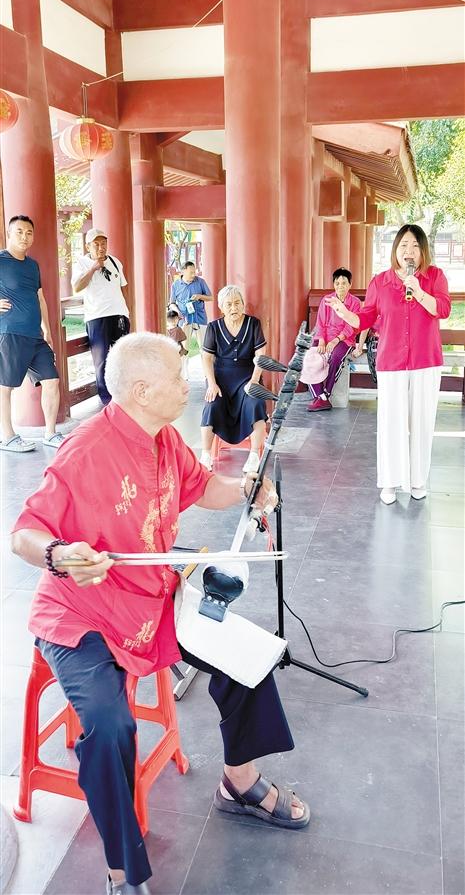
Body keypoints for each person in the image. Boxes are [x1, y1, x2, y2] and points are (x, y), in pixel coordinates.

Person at [11, 332, 310, 895]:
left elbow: (204, 488)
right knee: (108, 726)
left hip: (150, 597)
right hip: (83, 615)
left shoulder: (165, 437)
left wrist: (247, 488)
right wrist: (60, 555)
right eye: (177, 376)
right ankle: (122, 870)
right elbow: (24, 533)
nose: (187, 383)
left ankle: (238, 782)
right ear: (143, 391)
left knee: (248, 657)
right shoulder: (84, 449)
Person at [326, 224, 451, 505]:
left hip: (426, 362)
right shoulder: (380, 282)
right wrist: (344, 313)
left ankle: (418, 480)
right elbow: (365, 319)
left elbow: (443, 309)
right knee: (391, 423)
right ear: (395, 249)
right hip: (391, 362)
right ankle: (390, 482)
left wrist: (418, 290)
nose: (409, 251)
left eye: (415, 246)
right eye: (404, 245)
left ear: (423, 251)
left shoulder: (435, 276)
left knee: (421, 422)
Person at [0, 215, 63, 453]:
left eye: (29, 233)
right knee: (5, 386)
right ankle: (7, 436)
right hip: (10, 332)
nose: (24, 237)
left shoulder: (32, 265)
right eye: (19, 232)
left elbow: (40, 298)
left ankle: (50, 433)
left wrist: (47, 330)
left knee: (51, 380)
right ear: (9, 233)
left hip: (35, 336)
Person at [200, 285, 267, 473]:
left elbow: (261, 355)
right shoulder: (214, 327)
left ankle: (254, 455)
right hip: (220, 380)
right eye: (228, 304)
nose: (233, 308)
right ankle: (205, 455)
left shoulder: (253, 324)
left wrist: (255, 380)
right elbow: (206, 357)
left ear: (243, 304)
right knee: (211, 405)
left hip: (248, 377)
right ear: (221, 307)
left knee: (255, 403)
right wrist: (212, 384)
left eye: (237, 303)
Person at [72, 228, 130, 405]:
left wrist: (127, 312)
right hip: (97, 317)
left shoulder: (115, 262)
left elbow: (123, 288)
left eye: (103, 243)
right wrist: (93, 269)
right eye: (96, 244)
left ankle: (123, 395)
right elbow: (77, 287)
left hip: (119, 315)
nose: (100, 247)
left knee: (123, 357)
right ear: (87, 246)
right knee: (101, 361)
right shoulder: (81, 263)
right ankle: (107, 400)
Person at [307, 268, 362, 411]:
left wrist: (336, 340)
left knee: (336, 357)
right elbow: (320, 323)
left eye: (344, 283)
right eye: (337, 283)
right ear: (334, 284)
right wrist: (322, 340)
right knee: (307, 356)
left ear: (350, 284)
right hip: (325, 337)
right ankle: (321, 396)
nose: (340, 286)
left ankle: (326, 392)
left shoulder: (355, 302)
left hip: (345, 339)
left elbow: (352, 327)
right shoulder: (327, 300)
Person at [169, 261, 212, 351]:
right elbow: (172, 303)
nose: (193, 275)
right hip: (184, 320)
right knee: (184, 348)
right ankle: (184, 361)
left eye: (194, 272)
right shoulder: (175, 285)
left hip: (200, 318)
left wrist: (199, 296)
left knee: (205, 348)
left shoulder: (200, 281)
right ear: (183, 272)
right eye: (191, 272)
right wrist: (177, 311)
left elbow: (211, 298)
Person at [166, 308, 188, 380]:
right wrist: (184, 327)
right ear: (176, 319)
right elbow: (184, 338)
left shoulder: (166, 330)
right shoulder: (178, 329)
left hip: (168, 351)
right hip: (178, 351)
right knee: (179, 365)